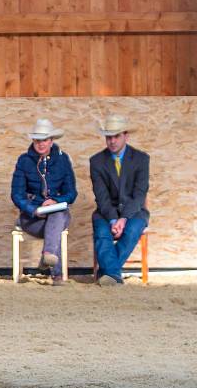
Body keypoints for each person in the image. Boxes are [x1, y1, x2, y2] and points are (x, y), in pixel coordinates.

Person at [11, 118, 78, 286]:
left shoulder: (63, 160)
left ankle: (48, 254)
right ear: (33, 141)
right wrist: (34, 209)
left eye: (45, 140)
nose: (41, 144)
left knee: (56, 214)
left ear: (51, 140)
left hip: (58, 214)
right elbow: (16, 194)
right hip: (32, 218)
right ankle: (55, 273)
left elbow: (71, 193)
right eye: (37, 140)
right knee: (55, 224)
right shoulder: (24, 160)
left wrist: (55, 201)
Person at [89, 114, 149, 286]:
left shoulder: (141, 159)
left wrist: (123, 219)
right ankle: (114, 275)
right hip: (105, 211)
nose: (112, 141)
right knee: (102, 234)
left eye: (117, 136)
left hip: (135, 211)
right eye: (109, 137)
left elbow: (140, 194)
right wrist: (114, 219)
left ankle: (106, 272)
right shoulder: (96, 161)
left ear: (126, 136)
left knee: (131, 230)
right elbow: (101, 196)